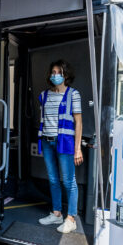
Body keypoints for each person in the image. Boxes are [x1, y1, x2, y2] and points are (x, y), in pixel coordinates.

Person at [37, 60, 83, 234]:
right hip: (47, 142)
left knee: (69, 181)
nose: (55, 75)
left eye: (59, 72)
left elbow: (79, 122)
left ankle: (71, 218)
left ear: (66, 75)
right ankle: (56, 213)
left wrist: (78, 149)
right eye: (53, 72)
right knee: (53, 179)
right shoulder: (43, 95)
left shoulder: (73, 94)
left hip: (65, 142)